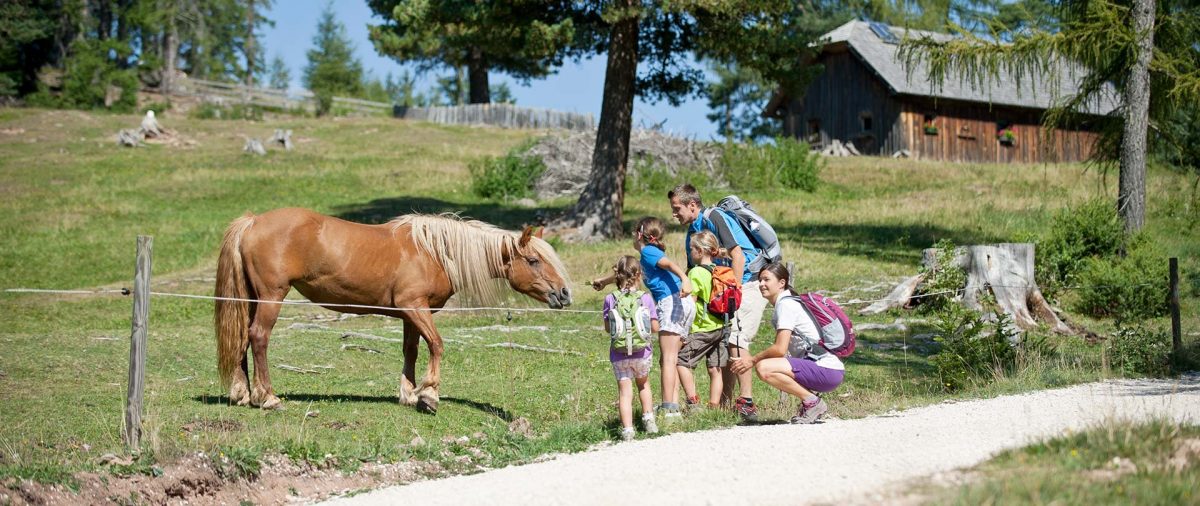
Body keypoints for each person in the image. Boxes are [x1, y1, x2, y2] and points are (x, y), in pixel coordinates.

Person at [668, 183, 769, 421]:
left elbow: (738, 255)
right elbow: (693, 272)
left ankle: (747, 403)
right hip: (722, 293)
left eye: (676, 208)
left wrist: (735, 291)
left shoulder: (715, 218)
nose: (674, 214)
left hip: (745, 282)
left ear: (692, 205)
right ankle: (723, 406)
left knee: (737, 338)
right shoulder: (692, 233)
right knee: (725, 346)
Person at [591, 216, 694, 420]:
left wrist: (685, 278)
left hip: (672, 301)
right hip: (682, 302)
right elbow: (627, 272)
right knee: (669, 359)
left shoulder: (648, 251)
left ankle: (668, 408)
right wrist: (604, 281)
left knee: (669, 359)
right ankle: (673, 407)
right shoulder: (645, 257)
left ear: (639, 234)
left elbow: (669, 264)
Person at [728, 263, 845, 424]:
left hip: (827, 370)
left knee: (764, 367)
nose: (761, 284)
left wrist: (751, 360)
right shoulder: (787, 302)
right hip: (827, 369)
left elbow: (779, 349)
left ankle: (812, 402)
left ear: (781, 283)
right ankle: (810, 402)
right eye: (760, 280)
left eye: (766, 280)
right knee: (768, 366)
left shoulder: (786, 305)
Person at [598, 256, 660, 440]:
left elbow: (609, 329)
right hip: (642, 353)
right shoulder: (645, 298)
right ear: (639, 275)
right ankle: (649, 420)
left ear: (616, 275)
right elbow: (655, 328)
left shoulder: (610, 299)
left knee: (625, 393)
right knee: (643, 385)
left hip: (619, 355)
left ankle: (627, 430)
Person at [676, 230, 730, 410]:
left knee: (681, 361)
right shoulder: (718, 271)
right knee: (715, 368)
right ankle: (714, 407)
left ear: (699, 251)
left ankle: (693, 402)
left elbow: (689, 305)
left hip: (702, 329)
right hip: (721, 327)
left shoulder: (696, 273)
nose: (690, 252)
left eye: (691, 249)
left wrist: (683, 332)